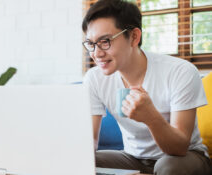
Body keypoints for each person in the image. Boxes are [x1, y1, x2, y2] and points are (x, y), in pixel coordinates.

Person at [82, 0, 211, 174]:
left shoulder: (180, 71)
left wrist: (151, 117)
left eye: (105, 41)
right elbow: (90, 142)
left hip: (185, 157)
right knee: (85, 160)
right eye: (91, 43)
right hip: (132, 158)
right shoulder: (94, 78)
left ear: (134, 37)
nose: (96, 53)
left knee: (168, 167)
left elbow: (179, 147)